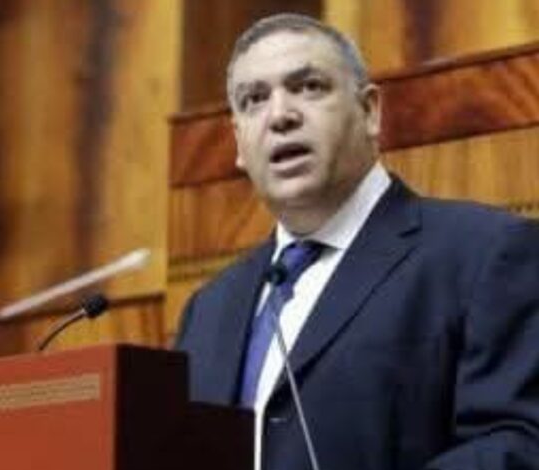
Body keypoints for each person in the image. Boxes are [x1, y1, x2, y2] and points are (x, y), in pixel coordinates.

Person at [175, 13, 539, 470]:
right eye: (254, 99)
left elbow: (520, 442)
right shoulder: (208, 309)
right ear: (238, 143)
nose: (280, 115)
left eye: (309, 87)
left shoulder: (485, 254)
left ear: (370, 111)